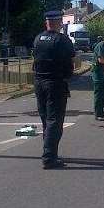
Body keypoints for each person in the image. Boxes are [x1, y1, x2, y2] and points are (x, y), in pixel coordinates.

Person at [33, 10, 75, 169]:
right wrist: (67, 76)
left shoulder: (38, 39)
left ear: (46, 22)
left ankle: (49, 152)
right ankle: (49, 157)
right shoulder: (62, 40)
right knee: (55, 121)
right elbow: (70, 63)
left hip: (39, 82)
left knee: (45, 119)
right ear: (58, 23)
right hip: (55, 83)